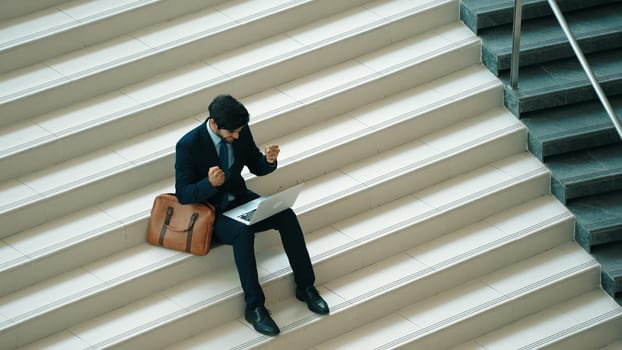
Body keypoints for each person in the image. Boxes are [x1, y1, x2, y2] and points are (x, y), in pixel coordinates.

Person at [175, 94, 329, 336]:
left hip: (240, 198)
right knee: (242, 232)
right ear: (214, 124)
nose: (237, 137)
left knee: (286, 214)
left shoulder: (240, 130)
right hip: (214, 213)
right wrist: (208, 184)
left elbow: (255, 164)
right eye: (232, 133)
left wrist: (269, 161)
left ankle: (306, 287)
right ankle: (254, 306)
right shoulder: (188, 145)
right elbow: (183, 194)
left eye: (239, 131)